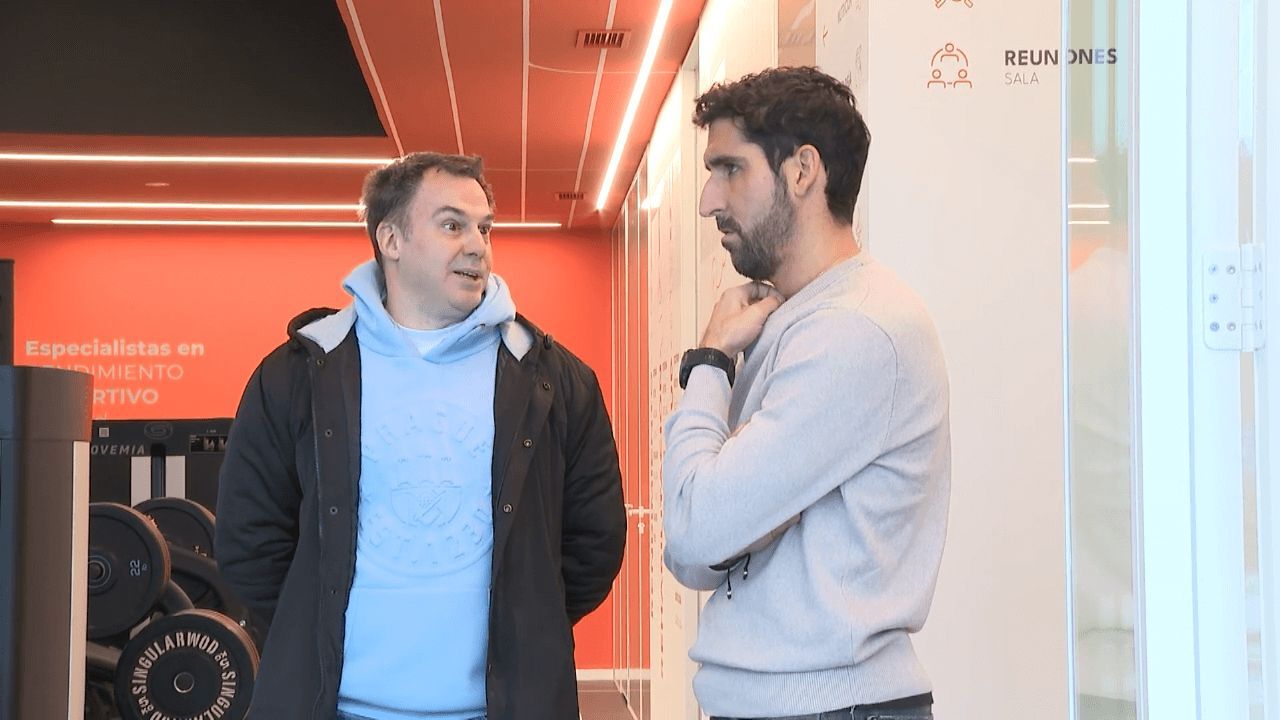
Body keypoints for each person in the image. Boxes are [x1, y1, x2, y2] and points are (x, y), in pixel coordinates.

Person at [215, 151, 626, 720]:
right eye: (452, 225)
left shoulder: (554, 379)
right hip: (332, 708)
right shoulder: (299, 374)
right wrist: (310, 632)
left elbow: (592, 545)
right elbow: (250, 540)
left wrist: (526, 627)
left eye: (485, 227)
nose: (478, 245)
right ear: (391, 239)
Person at [662, 67, 951, 720]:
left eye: (729, 168)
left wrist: (708, 363)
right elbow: (712, 554)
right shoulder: (800, 319)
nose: (708, 199)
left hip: (828, 710)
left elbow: (696, 533)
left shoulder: (855, 330)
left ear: (802, 171)